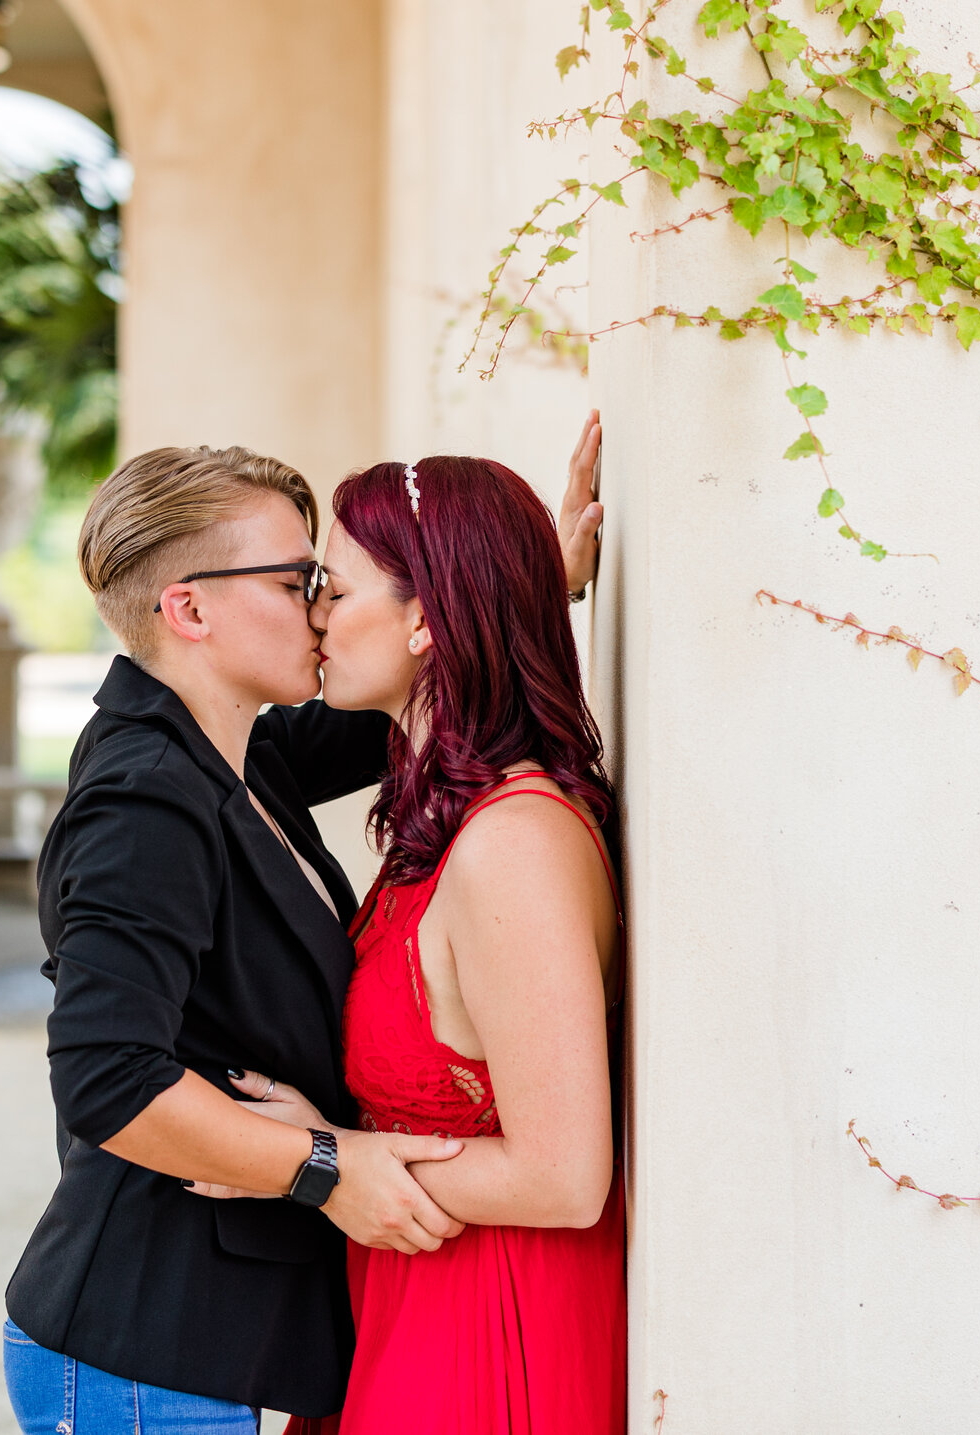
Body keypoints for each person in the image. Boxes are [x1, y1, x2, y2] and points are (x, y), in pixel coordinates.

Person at [3, 421, 606, 1434]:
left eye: (330, 580)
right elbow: (107, 1078)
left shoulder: (239, 752)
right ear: (189, 607)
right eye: (297, 580)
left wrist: (516, 575)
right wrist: (326, 1165)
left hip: (225, 1340)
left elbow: (419, 677)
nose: (322, 605)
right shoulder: (144, 798)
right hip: (147, 1344)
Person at [211, 443, 624, 1435]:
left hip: (491, 1329)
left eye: (331, 588)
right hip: (407, 1300)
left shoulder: (513, 844)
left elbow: (566, 1177)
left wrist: (319, 1158)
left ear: (426, 617)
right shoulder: (441, 818)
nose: (311, 614)